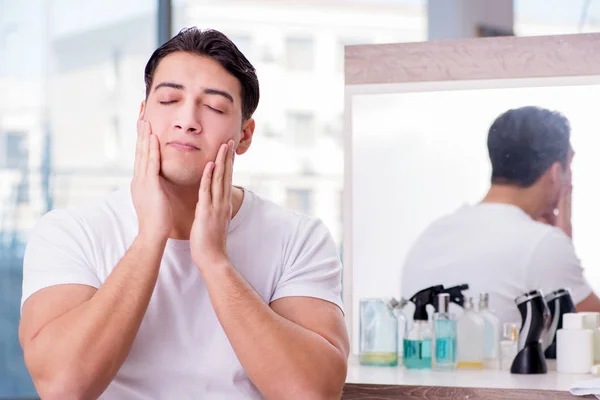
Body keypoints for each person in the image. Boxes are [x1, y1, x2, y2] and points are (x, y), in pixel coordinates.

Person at [18, 27, 349, 400]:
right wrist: (150, 238)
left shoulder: (299, 238)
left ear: (245, 135)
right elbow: (62, 388)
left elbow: (313, 392)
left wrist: (213, 261)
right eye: (169, 100)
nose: (187, 120)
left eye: (214, 107)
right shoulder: (69, 232)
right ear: (142, 116)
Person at [400, 106, 600, 328]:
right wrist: (563, 239)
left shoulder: (432, 234)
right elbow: (591, 332)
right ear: (555, 173)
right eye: (569, 166)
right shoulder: (543, 244)